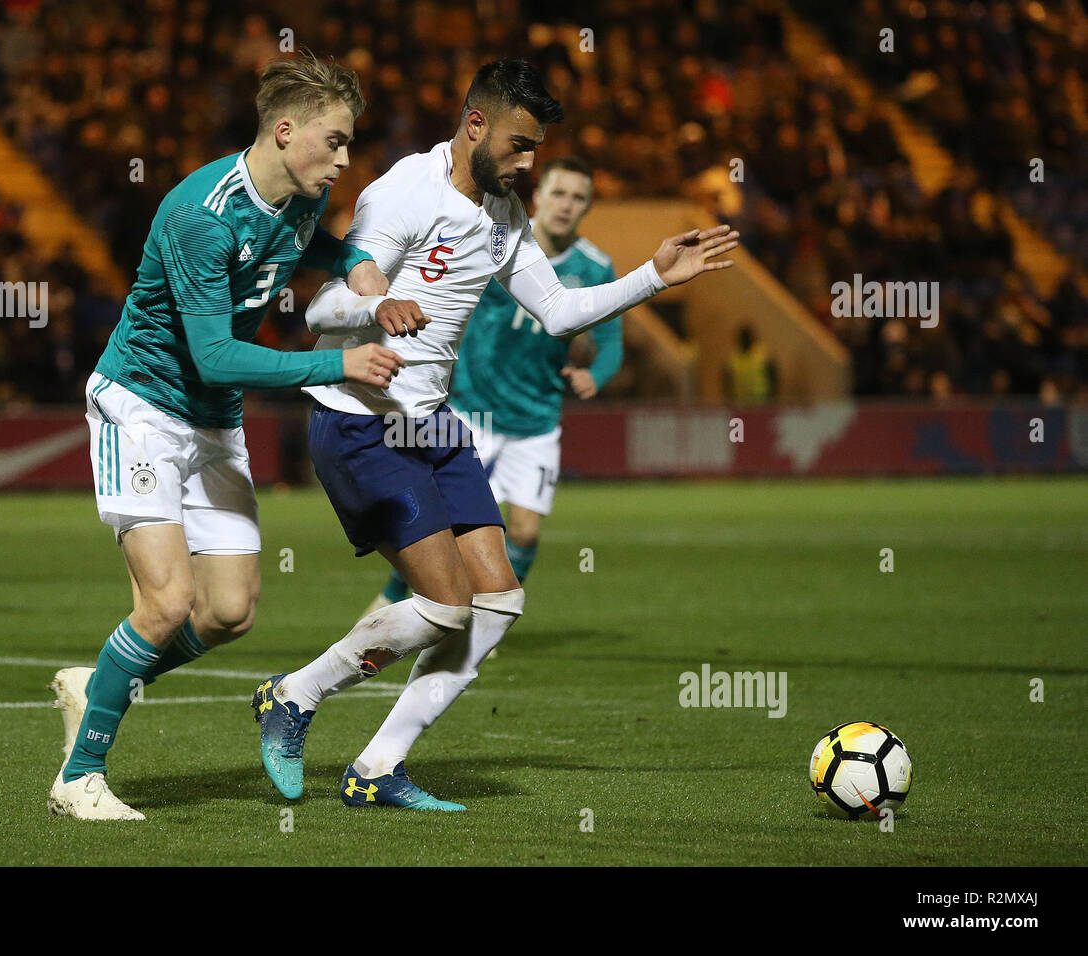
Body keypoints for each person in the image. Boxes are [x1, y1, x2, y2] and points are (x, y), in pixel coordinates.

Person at [252, 59, 738, 810]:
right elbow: (318, 311)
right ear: (474, 125)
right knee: (446, 605)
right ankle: (295, 695)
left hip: (434, 424)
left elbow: (562, 313)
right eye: (518, 144)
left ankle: (378, 768)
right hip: (363, 420)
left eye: (536, 148)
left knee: (500, 602)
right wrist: (377, 309)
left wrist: (653, 276)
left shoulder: (504, 215)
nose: (528, 163)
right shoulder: (402, 194)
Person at [47, 52, 405, 821]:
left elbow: (306, 247)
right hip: (141, 407)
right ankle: (80, 778)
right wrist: (337, 363)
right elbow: (213, 353)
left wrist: (359, 262)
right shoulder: (199, 215)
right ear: (286, 131)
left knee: (230, 612)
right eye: (335, 142)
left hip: (211, 419)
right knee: (168, 602)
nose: (345, 160)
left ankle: (102, 682)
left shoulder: (298, 198)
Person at [364, 155, 624, 613]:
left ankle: (488, 617)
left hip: (537, 418)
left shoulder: (595, 266)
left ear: (587, 207)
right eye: (559, 193)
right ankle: (391, 598)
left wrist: (594, 375)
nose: (567, 205)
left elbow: (611, 341)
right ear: (539, 197)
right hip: (472, 409)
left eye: (579, 197)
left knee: (524, 531)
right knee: (441, 522)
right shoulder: (496, 242)